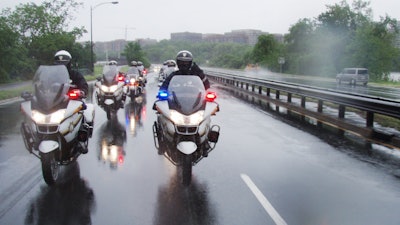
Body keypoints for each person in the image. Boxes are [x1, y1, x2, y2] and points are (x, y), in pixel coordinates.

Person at [54, 50, 90, 154]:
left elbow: (84, 85)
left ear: (69, 64)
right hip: (56, 103)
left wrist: (81, 91)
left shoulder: (75, 74)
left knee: (82, 110)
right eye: (59, 64)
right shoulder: (53, 76)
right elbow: (43, 85)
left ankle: (81, 140)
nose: (62, 66)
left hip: (73, 102)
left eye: (64, 63)